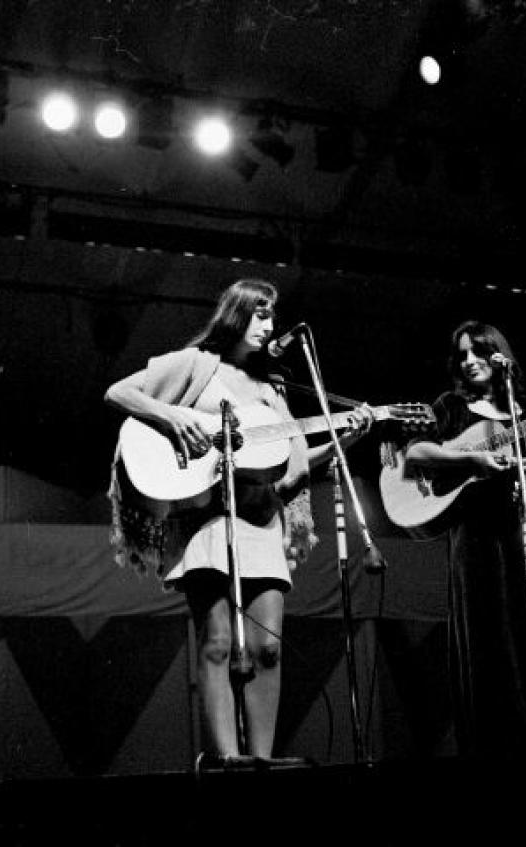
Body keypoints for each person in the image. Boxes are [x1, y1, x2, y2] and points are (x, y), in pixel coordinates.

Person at [104, 278, 372, 766]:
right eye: (260, 313)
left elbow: (290, 463)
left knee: (268, 647)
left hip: (260, 518)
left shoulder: (273, 390)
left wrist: (346, 437)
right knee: (219, 642)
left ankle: (263, 760)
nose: (269, 324)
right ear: (235, 314)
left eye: (273, 315)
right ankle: (229, 760)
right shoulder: (194, 366)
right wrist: (172, 417)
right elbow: (117, 393)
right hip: (205, 519)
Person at [404, 319, 526, 758]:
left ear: (500, 355)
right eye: (462, 355)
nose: (470, 361)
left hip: (525, 530)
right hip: (475, 534)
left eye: (478, 351)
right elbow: (416, 452)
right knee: (485, 636)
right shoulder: (452, 407)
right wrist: (474, 460)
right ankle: (492, 748)